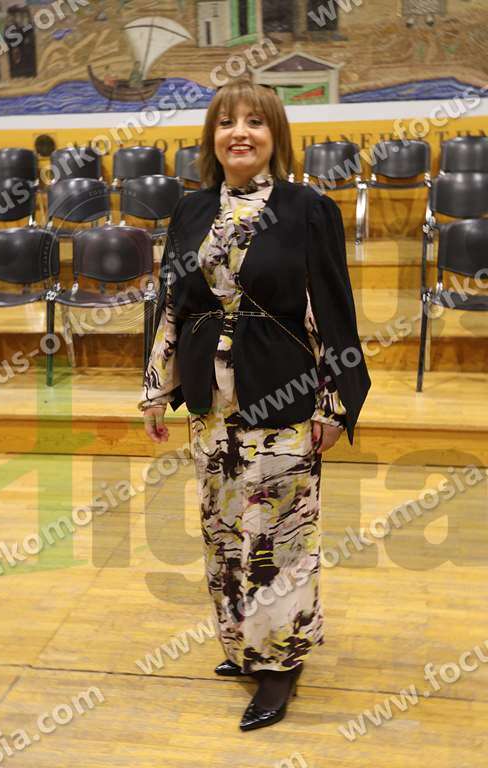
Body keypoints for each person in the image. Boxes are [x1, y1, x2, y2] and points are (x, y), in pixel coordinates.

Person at [138, 78, 371, 731]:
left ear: (275, 136)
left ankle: (280, 664)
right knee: (223, 531)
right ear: (212, 137)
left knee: (276, 538)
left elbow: (332, 309)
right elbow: (172, 305)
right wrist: (157, 387)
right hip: (211, 402)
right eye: (226, 122)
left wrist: (333, 402)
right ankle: (244, 644)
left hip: (285, 394)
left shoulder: (308, 209)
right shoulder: (190, 210)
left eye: (255, 122)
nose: (239, 132)